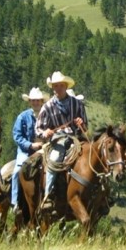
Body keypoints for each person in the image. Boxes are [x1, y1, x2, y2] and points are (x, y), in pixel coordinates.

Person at [35, 71, 88, 208]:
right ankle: (48, 194)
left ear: (65, 86)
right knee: (55, 159)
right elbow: (38, 128)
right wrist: (45, 132)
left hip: (76, 137)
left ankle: (100, 193)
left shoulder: (77, 104)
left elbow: (85, 126)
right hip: (58, 140)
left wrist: (81, 123)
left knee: (92, 156)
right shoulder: (47, 107)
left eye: (60, 86)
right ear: (53, 88)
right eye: (55, 86)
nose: (58, 88)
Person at [10, 87, 45, 212]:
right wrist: (31, 145)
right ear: (30, 102)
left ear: (41, 101)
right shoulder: (22, 117)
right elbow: (17, 136)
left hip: (44, 150)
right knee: (17, 171)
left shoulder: (47, 116)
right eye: (33, 101)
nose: (35, 103)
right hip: (26, 151)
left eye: (38, 100)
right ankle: (15, 202)